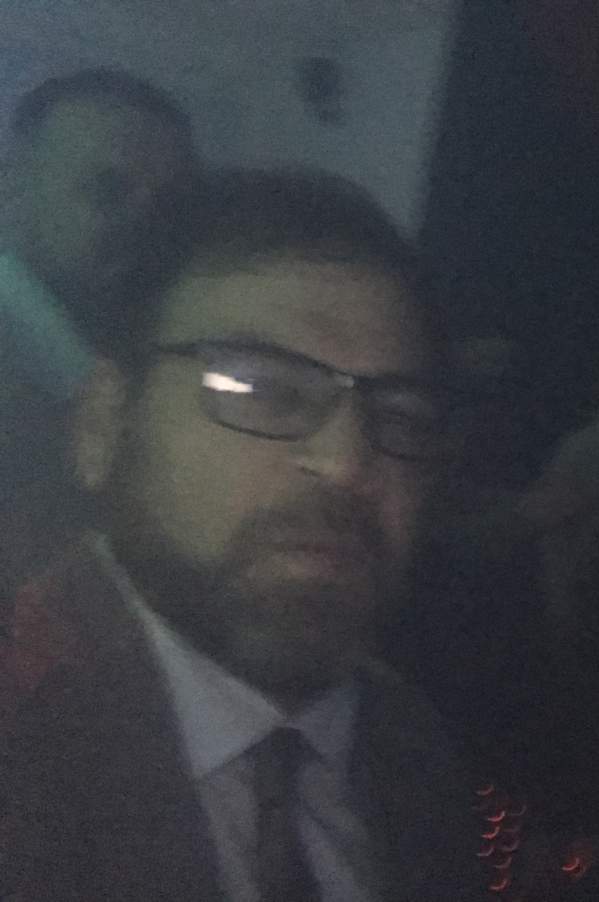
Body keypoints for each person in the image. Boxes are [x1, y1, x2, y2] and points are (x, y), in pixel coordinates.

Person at [0, 168, 484, 901]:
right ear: (104, 423)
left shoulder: (417, 747)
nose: (348, 462)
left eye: (401, 417)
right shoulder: (23, 722)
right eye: (260, 387)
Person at [0, 67, 197, 599]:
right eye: (107, 190)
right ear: (12, 183)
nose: (143, 224)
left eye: (168, 208)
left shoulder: (151, 356)